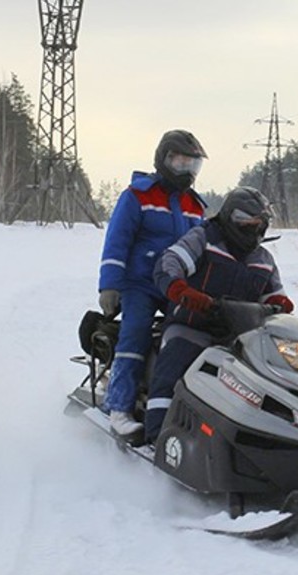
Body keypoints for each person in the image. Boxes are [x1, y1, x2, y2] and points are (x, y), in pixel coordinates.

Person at [145, 186, 294, 443]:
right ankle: (156, 437)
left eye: (259, 223)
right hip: (192, 326)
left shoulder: (263, 258)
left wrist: (280, 304)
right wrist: (181, 290)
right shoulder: (203, 239)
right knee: (173, 365)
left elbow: (274, 293)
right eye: (245, 221)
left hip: (240, 337)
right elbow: (170, 262)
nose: (252, 227)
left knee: (273, 380)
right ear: (228, 217)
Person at [98, 129, 208, 437]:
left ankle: (180, 405)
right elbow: (117, 241)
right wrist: (110, 285)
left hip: (177, 286)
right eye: (181, 162)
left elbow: (201, 251)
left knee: (194, 336)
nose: (187, 170)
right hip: (141, 284)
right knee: (135, 334)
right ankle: (119, 407)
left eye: (193, 165)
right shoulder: (138, 195)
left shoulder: (195, 206)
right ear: (164, 160)